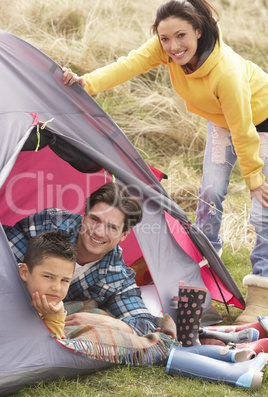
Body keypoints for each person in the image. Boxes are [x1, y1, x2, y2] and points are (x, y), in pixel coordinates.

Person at [62, 0, 268, 324]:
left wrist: (254, 178)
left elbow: (244, 129)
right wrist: (88, 83)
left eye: (181, 36)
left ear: (199, 31)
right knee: (210, 194)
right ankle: (204, 275)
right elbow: (129, 64)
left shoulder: (225, 73)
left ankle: (262, 293)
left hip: (262, 123)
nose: (173, 46)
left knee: (263, 208)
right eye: (165, 39)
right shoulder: (167, 47)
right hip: (222, 122)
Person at [4, 182, 157, 336]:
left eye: (112, 227)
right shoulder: (48, 223)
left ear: (123, 234)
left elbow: (146, 326)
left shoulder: (117, 276)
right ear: (84, 216)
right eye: (95, 219)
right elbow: (4, 261)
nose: (98, 232)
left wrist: (107, 322)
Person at [19, 231, 76, 340]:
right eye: (48, 277)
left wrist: (54, 316)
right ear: (25, 272)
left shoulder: (56, 307)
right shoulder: (6, 294)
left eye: (64, 280)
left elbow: (48, 348)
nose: (57, 288)